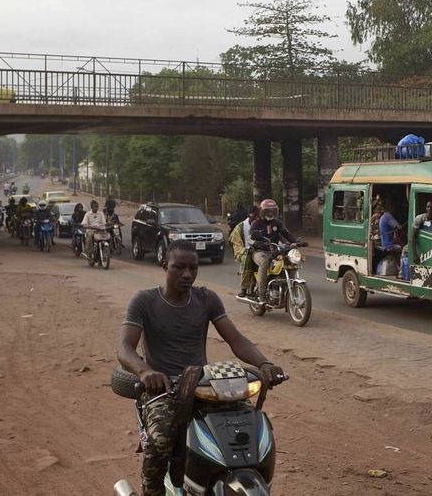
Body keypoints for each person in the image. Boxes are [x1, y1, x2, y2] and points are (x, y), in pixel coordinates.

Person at [116, 239, 286, 496]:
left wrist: (264, 363)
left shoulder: (206, 299)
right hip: (164, 390)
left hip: (203, 386)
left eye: (192, 268)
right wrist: (146, 372)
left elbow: (236, 339)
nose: (187, 274)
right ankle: (152, 492)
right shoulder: (144, 301)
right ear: (165, 265)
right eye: (179, 267)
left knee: (247, 430)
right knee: (161, 440)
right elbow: (125, 348)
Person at [248, 199, 297, 299]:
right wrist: (259, 243)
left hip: (274, 251)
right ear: (263, 211)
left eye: (273, 211)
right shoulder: (256, 223)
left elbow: (286, 233)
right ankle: (262, 293)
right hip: (260, 252)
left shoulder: (277, 223)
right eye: (268, 211)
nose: (271, 213)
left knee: (288, 262)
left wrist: (295, 242)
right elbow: (250, 237)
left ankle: (287, 288)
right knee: (264, 262)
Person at [230, 206, 259, 298]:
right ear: (249, 216)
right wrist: (244, 250)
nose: (256, 218)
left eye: (257, 216)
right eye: (254, 216)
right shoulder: (240, 226)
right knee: (247, 259)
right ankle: (244, 288)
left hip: (261, 250)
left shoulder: (262, 224)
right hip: (246, 251)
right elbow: (235, 242)